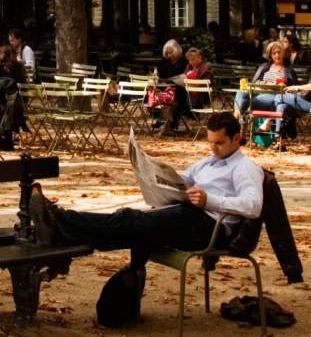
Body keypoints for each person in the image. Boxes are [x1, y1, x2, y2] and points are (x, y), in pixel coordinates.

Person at [28, 111, 263, 274]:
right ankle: (61, 236)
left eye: (219, 143)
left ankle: (58, 219)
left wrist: (209, 200)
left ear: (236, 138)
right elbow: (184, 180)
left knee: (130, 219)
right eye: (210, 142)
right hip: (189, 215)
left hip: (210, 227)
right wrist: (157, 177)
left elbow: (253, 206)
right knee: (133, 229)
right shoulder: (208, 162)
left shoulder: (245, 168)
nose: (213, 148)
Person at [250, 46, 311, 151]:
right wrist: (297, 92)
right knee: (283, 106)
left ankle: (268, 122)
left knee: (279, 97)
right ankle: (281, 142)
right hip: (309, 102)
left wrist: (296, 87)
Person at [234, 41, 298, 114]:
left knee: (247, 101)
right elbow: (255, 82)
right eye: (274, 53)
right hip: (258, 91)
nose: (277, 55)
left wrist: (276, 85)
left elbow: (292, 87)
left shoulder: (288, 69)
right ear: (270, 55)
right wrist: (266, 83)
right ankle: (236, 115)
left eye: (279, 52)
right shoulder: (265, 66)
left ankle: (238, 119)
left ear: (283, 53)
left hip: (274, 95)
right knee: (240, 92)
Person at [148, 40, 189, 132]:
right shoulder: (164, 61)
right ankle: (160, 119)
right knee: (153, 93)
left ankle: (171, 122)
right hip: (165, 86)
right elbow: (160, 74)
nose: (169, 55)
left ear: (177, 51)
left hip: (179, 88)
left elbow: (184, 76)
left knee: (175, 96)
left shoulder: (184, 62)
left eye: (171, 53)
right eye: (167, 53)